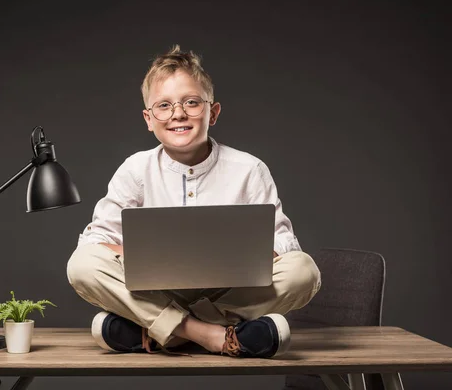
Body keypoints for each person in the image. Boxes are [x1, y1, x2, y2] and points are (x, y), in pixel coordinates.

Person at [66, 45, 321, 358]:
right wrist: (139, 251)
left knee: (304, 271)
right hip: (156, 292)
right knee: (82, 265)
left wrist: (241, 252)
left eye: (191, 103)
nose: (178, 114)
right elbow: (94, 241)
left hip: (229, 292)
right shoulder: (135, 169)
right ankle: (213, 334)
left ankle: (165, 333)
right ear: (149, 118)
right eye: (164, 106)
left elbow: (285, 246)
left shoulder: (249, 169)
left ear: (212, 112)